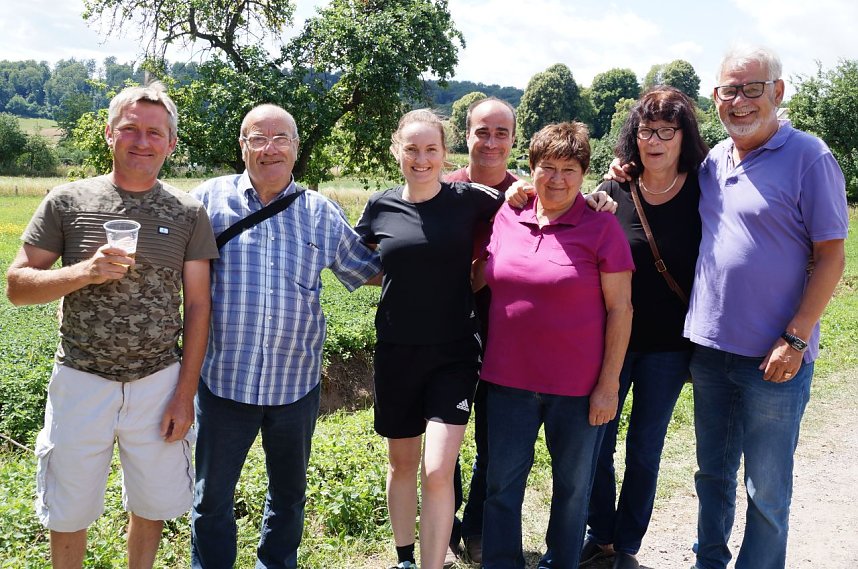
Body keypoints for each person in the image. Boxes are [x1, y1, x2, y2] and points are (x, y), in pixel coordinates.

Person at [5, 82, 217, 569]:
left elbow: (199, 306)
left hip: (158, 382)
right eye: (130, 130)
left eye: (154, 133)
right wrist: (85, 271)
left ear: (171, 143)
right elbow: (17, 286)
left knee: (152, 502)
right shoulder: (67, 201)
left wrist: (184, 395)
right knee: (68, 507)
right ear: (109, 134)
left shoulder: (187, 213)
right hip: (80, 379)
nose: (142, 141)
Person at [189, 104, 381, 569]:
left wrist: (441, 242)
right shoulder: (207, 201)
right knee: (211, 499)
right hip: (223, 383)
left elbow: (371, 271)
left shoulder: (319, 212)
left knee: (288, 497)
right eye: (258, 138)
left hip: (295, 386)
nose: (269, 149)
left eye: (281, 139)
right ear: (243, 146)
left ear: (296, 148)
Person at [684, 45, 848, 569]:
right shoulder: (714, 158)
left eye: (751, 89)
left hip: (776, 357)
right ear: (715, 98)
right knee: (711, 475)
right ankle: (708, 561)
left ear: (778, 92)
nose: (738, 101)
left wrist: (796, 338)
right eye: (728, 91)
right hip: (710, 351)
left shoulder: (810, 157)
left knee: (766, 489)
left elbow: (831, 256)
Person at [355, 109, 506, 569]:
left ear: (445, 154)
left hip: (454, 353)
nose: (421, 158)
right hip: (397, 353)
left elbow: (535, 199)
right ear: (397, 151)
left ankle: (431, 565)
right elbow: (355, 260)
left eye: (431, 149)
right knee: (402, 465)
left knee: (438, 468)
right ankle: (404, 558)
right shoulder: (379, 205)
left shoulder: (468, 198)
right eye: (412, 149)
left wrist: (603, 195)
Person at [479, 121, 634, 569]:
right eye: (547, 167)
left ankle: (560, 562)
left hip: (577, 387)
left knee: (572, 488)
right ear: (531, 169)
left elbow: (621, 310)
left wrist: (608, 385)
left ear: (583, 173)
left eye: (569, 168)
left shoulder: (601, 228)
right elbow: (484, 272)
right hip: (507, 380)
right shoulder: (509, 215)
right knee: (501, 485)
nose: (558, 178)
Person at [582, 87, 709, 569]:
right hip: (609, 342)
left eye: (665, 131)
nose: (653, 140)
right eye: (644, 130)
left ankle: (627, 544)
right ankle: (601, 534)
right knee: (597, 442)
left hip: (668, 349)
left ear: (683, 136)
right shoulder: (614, 190)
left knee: (645, 447)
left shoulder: (704, 188)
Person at [444, 96, 519, 565]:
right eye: (481, 132)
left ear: (514, 138)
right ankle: (443, 523)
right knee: (444, 435)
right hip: (443, 329)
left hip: (507, 332)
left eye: (501, 133)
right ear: (465, 134)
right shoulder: (441, 188)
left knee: (496, 439)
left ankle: (478, 527)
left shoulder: (531, 194)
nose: (490, 142)